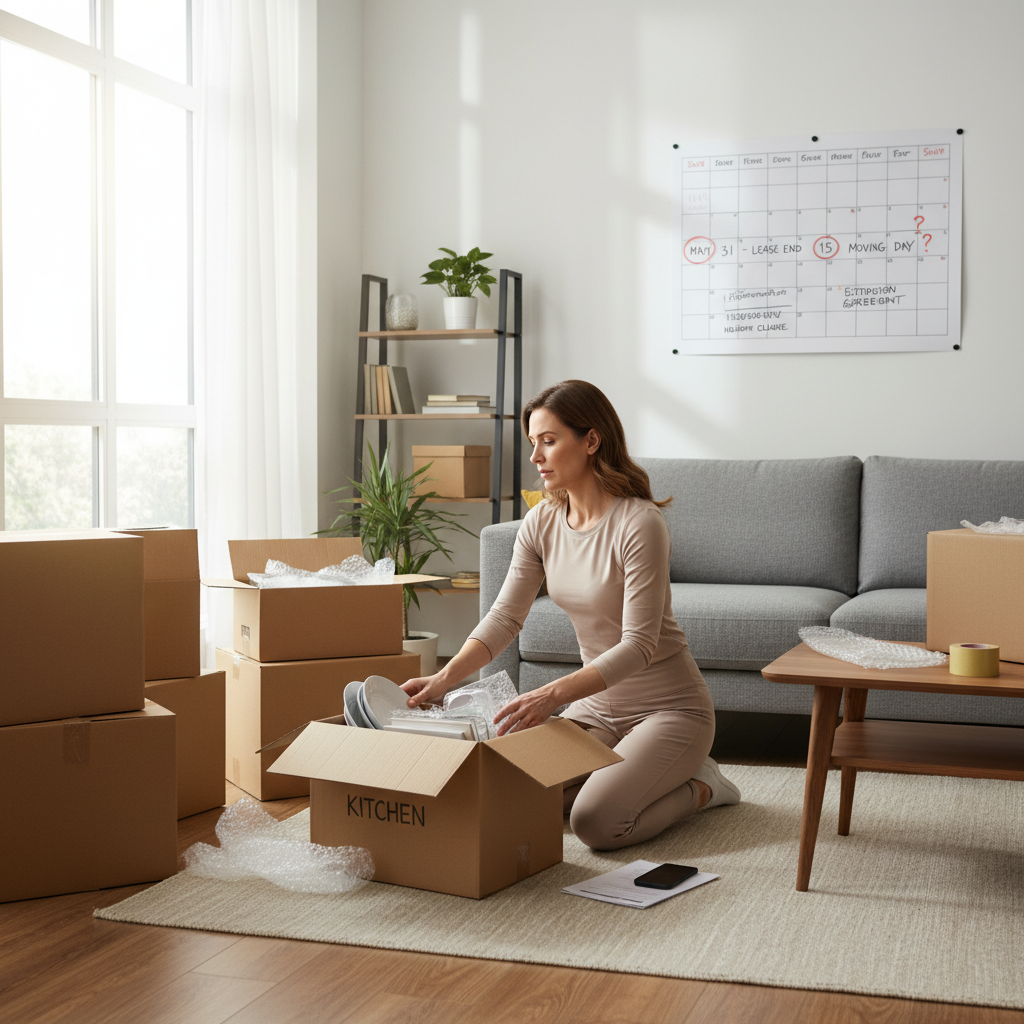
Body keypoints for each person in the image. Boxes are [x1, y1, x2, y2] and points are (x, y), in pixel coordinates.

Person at [401, 379, 740, 851]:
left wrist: (550, 695)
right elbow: (504, 619)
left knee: (597, 824)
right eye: (533, 443)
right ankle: (624, 773)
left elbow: (639, 646)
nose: (536, 457)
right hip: (597, 710)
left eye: (549, 441)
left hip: (669, 709)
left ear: (592, 441)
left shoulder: (639, 523)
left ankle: (702, 787)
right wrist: (443, 679)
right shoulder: (541, 521)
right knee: (507, 797)